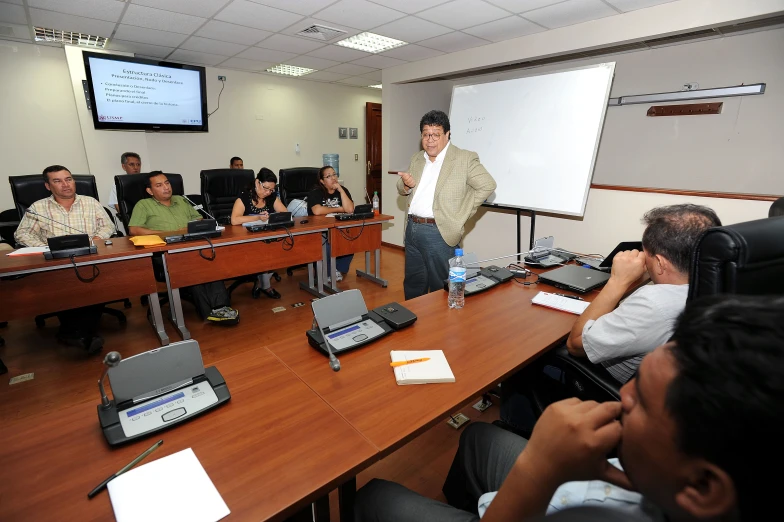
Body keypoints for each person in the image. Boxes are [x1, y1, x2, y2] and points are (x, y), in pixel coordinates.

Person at [355, 294, 784, 521]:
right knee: (478, 436)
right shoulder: (684, 484)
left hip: (542, 499)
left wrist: (537, 469)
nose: (624, 395)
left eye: (644, 403)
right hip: (610, 483)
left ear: (703, 488)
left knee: (374, 495)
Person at [565, 204, 721, 384]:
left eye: (646, 255)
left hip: (607, 381)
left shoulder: (653, 303)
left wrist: (618, 280)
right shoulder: (720, 283)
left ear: (661, 263)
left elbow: (575, 345)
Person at [14, 165, 116, 353]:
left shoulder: (90, 202)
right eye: (57, 181)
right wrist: (45, 248)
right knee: (63, 288)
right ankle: (83, 334)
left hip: (89, 257)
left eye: (68, 179)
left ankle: (75, 334)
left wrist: (97, 239)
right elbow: (22, 234)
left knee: (99, 284)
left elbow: (108, 226)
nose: (65, 184)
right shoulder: (38, 207)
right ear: (48, 186)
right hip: (56, 262)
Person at [397, 110, 496, 300]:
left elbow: (487, 185)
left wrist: (461, 214)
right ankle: (414, 325)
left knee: (440, 286)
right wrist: (405, 185)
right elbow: (402, 186)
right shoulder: (417, 158)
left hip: (439, 232)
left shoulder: (464, 158)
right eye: (426, 134)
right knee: (413, 282)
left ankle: (441, 328)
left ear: (447, 134)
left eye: (436, 134)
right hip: (412, 229)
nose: (430, 140)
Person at [128, 172, 239, 325]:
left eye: (167, 183)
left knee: (210, 260)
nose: (166, 187)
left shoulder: (181, 200)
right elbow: (134, 229)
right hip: (164, 251)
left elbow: (198, 218)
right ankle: (209, 311)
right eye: (159, 185)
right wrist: (169, 234)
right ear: (150, 191)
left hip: (191, 246)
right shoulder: (143, 205)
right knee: (191, 265)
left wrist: (195, 226)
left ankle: (222, 306)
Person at [230, 167, 287, 299]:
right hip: (246, 240)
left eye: (271, 190)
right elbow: (234, 220)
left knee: (279, 249)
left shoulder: (272, 198)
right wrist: (257, 217)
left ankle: (262, 283)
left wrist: (273, 218)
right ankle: (265, 285)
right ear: (257, 183)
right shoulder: (244, 197)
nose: (268, 192)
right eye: (265, 188)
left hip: (268, 237)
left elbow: (285, 214)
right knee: (265, 251)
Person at [307, 165, 354, 282]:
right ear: (322, 181)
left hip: (338, 229)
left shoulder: (343, 190)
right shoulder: (315, 192)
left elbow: (350, 209)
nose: (333, 178)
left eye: (334, 174)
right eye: (329, 176)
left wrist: (341, 190)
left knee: (351, 241)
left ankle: (336, 269)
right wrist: (339, 209)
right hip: (319, 231)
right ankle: (327, 272)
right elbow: (317, 211)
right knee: (327, 245)